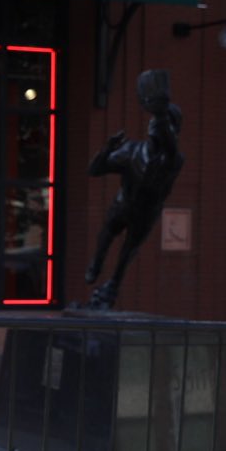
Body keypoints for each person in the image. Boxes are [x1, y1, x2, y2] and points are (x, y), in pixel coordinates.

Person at [83, 68, 185, 310]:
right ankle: (96, 262)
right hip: (124, 203)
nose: (156, 126)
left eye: (164, 124)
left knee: (128, 250)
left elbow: (169, 143)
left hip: (146, 213)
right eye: (155, 121)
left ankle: (114, 284)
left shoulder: (173, 159)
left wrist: (161, 113)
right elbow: (94, 170)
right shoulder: (131, 151)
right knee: (108, 232)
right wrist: (106, 149)